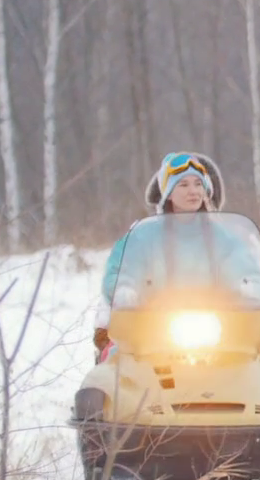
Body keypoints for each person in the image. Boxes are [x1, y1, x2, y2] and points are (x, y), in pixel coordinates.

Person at [93, 152, 228, 362]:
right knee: (119, 361)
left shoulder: (223, 237)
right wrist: (127, 292)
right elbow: (117, 273)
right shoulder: (142, 235)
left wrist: (249, 289)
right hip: (152, 324)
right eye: (183, 185)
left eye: (197, 184)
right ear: (168, 193)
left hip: (213, 325)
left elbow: (247, 272)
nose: (193, 191)